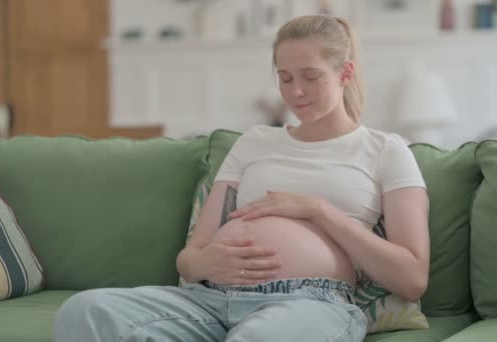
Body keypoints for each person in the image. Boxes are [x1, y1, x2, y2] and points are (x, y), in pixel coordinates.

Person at [53, 15, 430, 342]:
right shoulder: (254, 141)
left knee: (258, 338)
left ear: (344, 73)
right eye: (284, 78)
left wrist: (317, 210)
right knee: (84, 311)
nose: (295, 92)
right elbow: (190, 258)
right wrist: (206, 265)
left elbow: (412, 278)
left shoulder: (386, 151)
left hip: (311, 302)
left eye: (310, 77)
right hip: (213, 300)